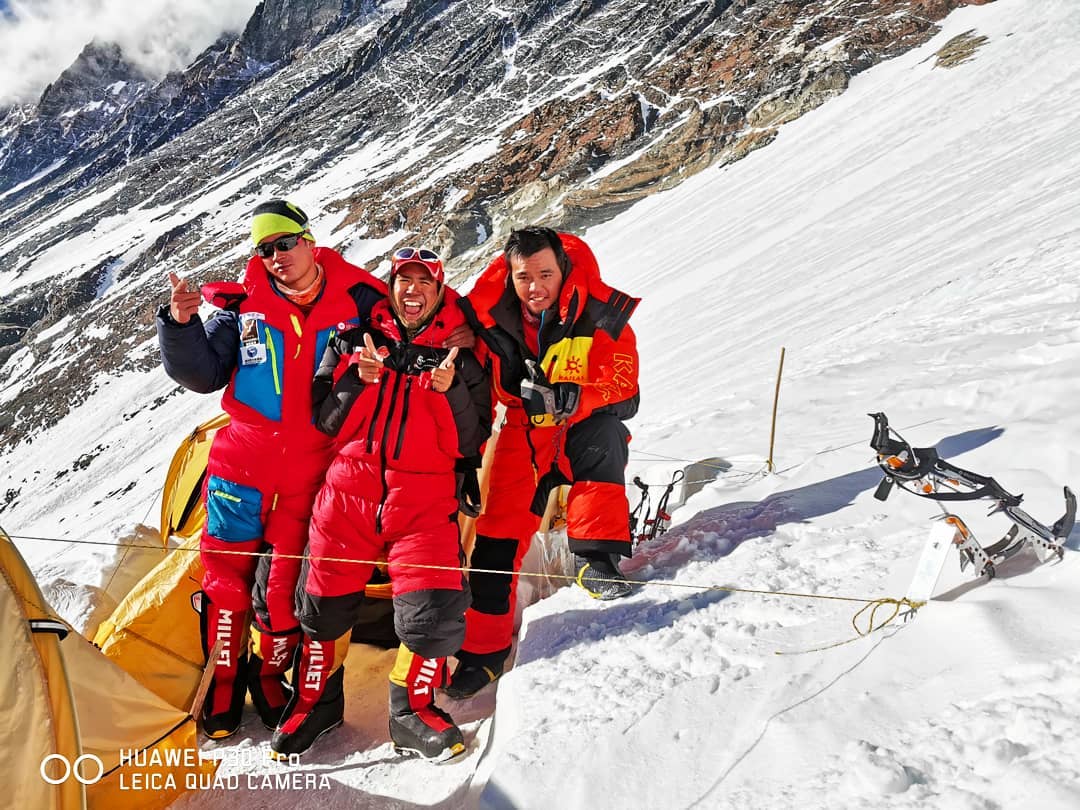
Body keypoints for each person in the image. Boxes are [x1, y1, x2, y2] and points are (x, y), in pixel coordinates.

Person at [157, 200, 384, 739]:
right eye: (265, 249)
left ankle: (268, 675)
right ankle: (224, 685)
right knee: (225, 578)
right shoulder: (242, 308)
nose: (277, 255)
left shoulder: (358, 301)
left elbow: (421, 314)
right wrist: (181, 325)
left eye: (285, 243)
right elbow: (204, 374)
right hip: (242, 463)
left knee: (283, 583)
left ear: (309, 241)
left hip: (312, 468)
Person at [271, 247, 491, 760]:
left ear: (439, 292)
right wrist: (357, 380)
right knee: (321, 606)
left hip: (424, 500)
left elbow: (470, 441)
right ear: (389, 288)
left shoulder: (462, 358)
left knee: (435, 610)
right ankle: (316, 703)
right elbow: (326, 421)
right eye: (403, 281)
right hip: (347, 494)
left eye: (424, 282)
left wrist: (451, 390)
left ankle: (411, 710)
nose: (413, 291)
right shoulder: (353, 341)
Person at [448, 226, 641, 700]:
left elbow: (627, 391)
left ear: (563, 269)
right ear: (509, 276)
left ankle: (596, 560)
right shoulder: (488, 318)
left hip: (578, 426)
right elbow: (466, 366)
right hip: (521, 431)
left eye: (545, 275)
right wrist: (463, 339)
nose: (535, 288)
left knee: (606, 436)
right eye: (524, 277)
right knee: (495, 541)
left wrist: (580, 397)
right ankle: (484, 652)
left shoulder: (602, 313)